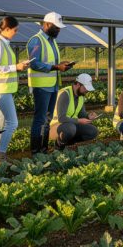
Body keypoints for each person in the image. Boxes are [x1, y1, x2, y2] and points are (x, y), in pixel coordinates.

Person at [0, 16, 31, 167]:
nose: (16, 33)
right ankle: (0, 155)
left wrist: (18, 66)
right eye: (15, 30)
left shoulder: (3, 44)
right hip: (0, 90)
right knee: (12, 123)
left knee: (1, 125)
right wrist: (15, 67)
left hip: (3, 90)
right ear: (6, 29)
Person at [26, 12, 74, 155]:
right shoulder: (36, 40)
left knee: (47, 119)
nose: (59, 30)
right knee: (40, 119)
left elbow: (51, 62)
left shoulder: (51, 41)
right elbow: (34, 64)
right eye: (56, 27)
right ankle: (35, 151)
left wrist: (61, 65)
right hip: (41, 87)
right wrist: (55, 67)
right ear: (47, 24)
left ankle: (44, 149)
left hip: (52, 86)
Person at [50, 73, 99, 149]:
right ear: (78, 84)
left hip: (72, 125)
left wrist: (88, 116)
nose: (87, 90)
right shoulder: (65, 94)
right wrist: (78, 121)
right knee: (70, 129)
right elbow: (61, 118)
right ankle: (59, 144)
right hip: (56, 126)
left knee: (93, 131)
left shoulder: (81, 96)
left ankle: (69, 144)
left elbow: (81, 113)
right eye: (86, 88)